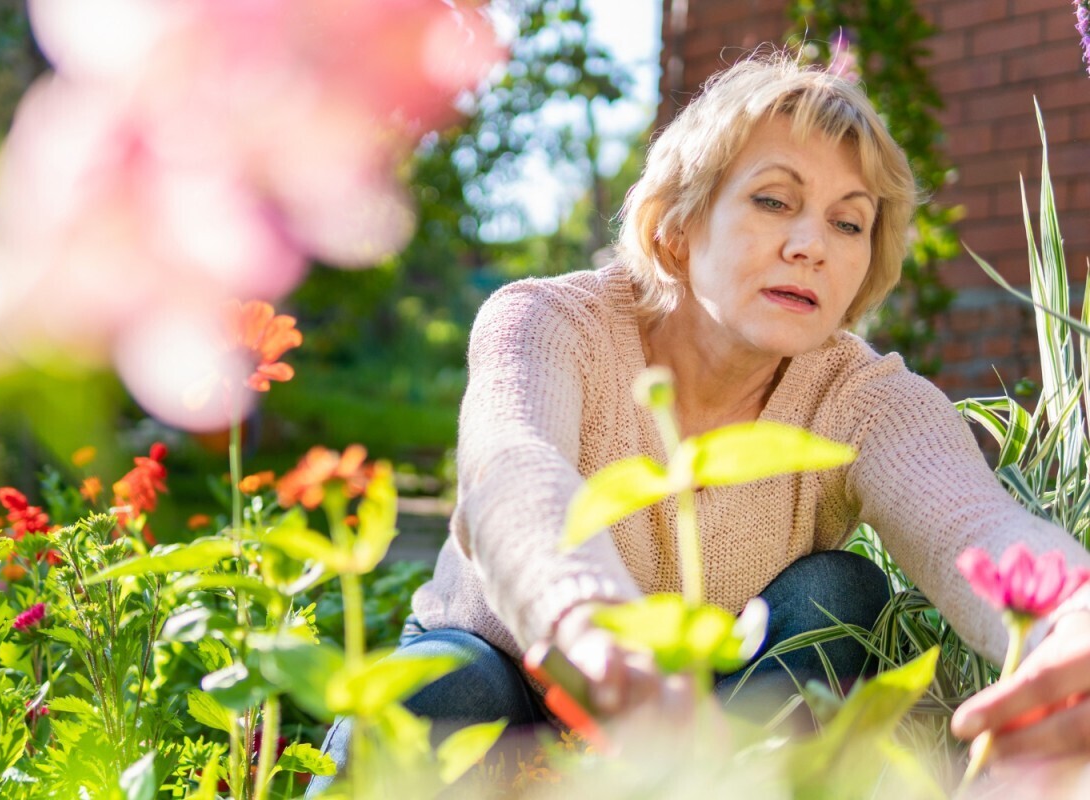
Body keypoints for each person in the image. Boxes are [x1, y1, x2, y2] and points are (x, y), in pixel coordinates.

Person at [308, 50, 1090, 795]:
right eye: (774, 201)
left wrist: (1077, 623)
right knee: (447, 684)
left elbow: (977, 525)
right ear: (676, 227)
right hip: (508, 675)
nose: (811, 245)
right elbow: (512, 469)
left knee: (839, 590)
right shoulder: (549, 322)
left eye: (849, 223)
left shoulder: (862, 397)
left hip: (703, 728)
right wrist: (589, 624)